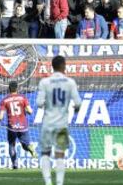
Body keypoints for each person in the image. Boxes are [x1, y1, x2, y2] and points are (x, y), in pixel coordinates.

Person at [37, 55, 81, 185]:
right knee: (60, 154)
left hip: (47, 124)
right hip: (62, 125)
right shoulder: (70, 82)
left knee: (45, 153)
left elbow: (39, 103)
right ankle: (60, 183)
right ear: (63, 66)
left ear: (52, 66)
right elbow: (78, 103)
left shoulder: (44, 82)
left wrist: (47, 103)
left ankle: (48, 183)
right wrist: (76, 108)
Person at [0, 81, 37, 169]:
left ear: (9, 88)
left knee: (12, 145)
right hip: (23, 126)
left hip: (12, 126)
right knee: (25, 146)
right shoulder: (22, 98)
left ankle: (15, 164)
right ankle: (29, 147)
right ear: (17, 88)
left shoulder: (5, 100)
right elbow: (30, 111)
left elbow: (0, 116)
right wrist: (24, 110)